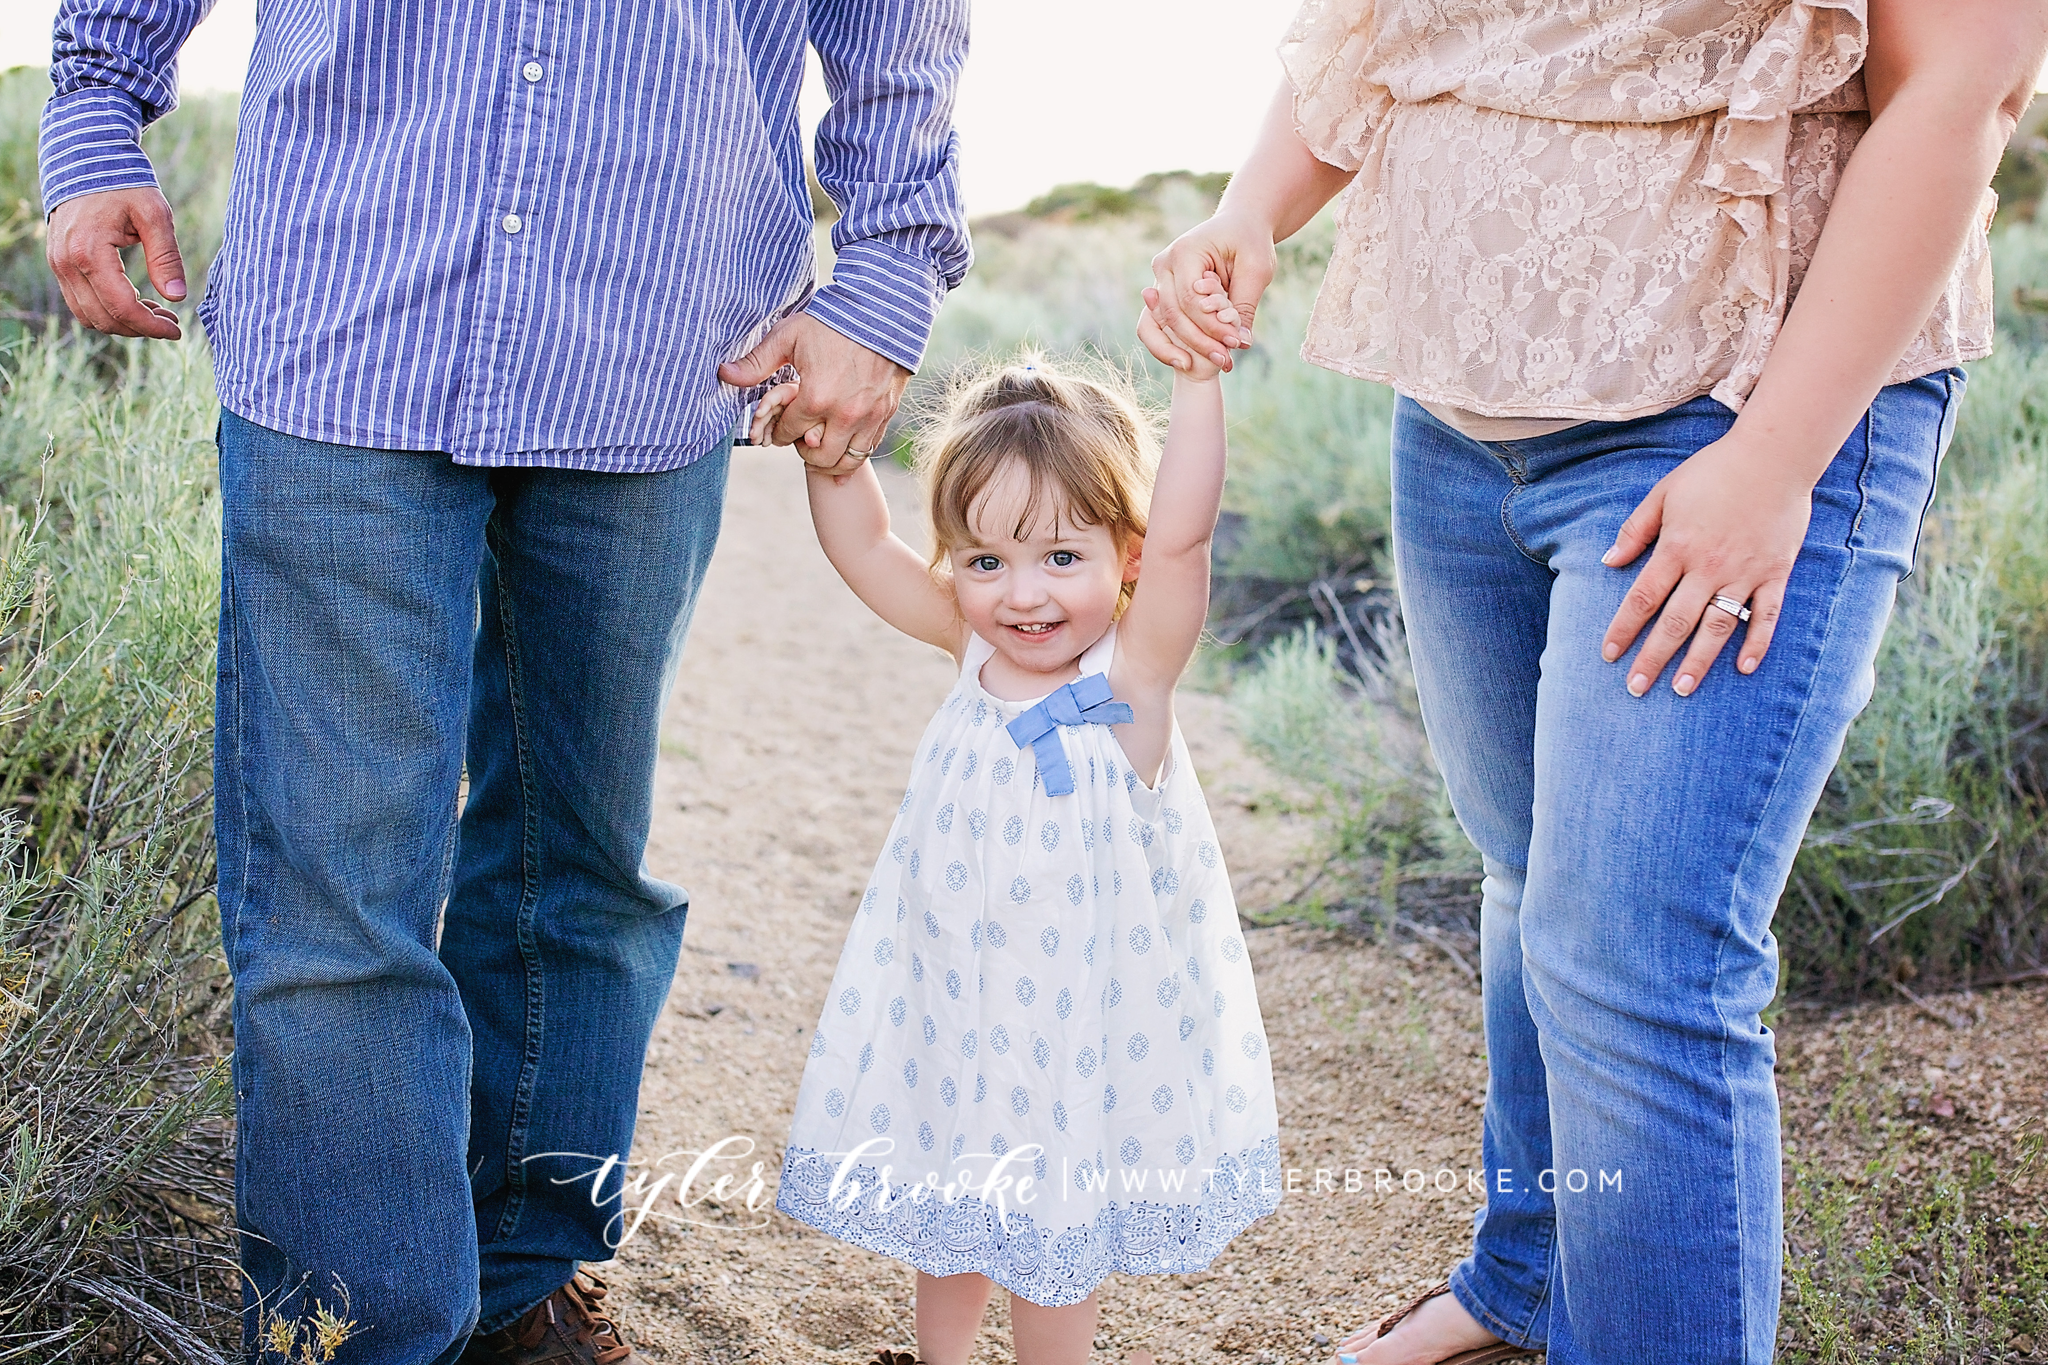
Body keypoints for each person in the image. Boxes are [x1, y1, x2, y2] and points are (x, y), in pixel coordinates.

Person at [38, 3, 970, 1362]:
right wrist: (91, 113)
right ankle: (366, 1339)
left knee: (577, 862)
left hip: (656, 333)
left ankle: (521, 1279)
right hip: (349, 313)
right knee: (333, 896)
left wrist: (886, 270)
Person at [1138, 2, 2048, 1364]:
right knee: (1528, 879)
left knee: (1636, 961)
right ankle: (1527, 1287)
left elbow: (1967, 80)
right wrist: (1249, 215)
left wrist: (1777, 459)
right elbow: (1391, 30)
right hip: (1459, 410)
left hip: (1730, 405)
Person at [757, 327, 1283, 1365]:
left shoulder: (1129, 686)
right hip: (955, 1006)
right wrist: (833, 459)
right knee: (952, 1192)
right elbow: (864, 547)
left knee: (1052, 1225)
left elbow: (1183, 539)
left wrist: (1197, 384)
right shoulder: (968, 648)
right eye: (986, 560)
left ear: (1122, 556)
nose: (1024, 595)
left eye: (1061, 556)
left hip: (1074, 1034)